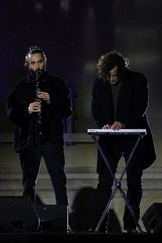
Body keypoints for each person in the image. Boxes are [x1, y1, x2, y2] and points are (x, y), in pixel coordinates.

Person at [90, 50, 156, 233]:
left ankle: (130, 226)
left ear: (122, 71)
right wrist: (103, 124)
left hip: (132, 138)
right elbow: (95, 109)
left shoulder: (138, 80)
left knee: (134, 181)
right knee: (104, 182)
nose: (112, 79)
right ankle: (99, 226)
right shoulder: (98, 83)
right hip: (109, 140)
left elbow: (141, 107)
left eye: (115, 75)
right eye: (109, 75)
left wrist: (123, 122)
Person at [6, 46, 72, 207]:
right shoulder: (20, 87)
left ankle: (64, 224)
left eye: (40, 62)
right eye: (33, 63)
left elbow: (67, 110)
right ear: (28, 65)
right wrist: (27, 110)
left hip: (51, 140)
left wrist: (51, 101)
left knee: (59, 182)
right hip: (29, 141)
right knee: (28, 185)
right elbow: (11, 113)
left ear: (45, 62)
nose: (37, 67)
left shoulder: (57, 84)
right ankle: (30, 224)